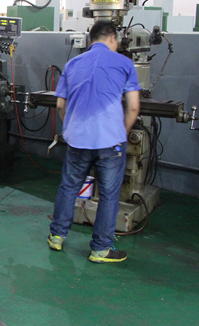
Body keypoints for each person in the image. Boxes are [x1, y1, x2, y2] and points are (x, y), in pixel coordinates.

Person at [46, 21, 141, 264]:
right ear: (113, 38)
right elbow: (133, 107)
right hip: (110, 141)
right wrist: (121, 132)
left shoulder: (72, 64)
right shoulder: (124, 63)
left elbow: (60, 104)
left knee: (69, 187)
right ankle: (100, 249)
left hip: (78, 140)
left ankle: (57, 236)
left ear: (90, 40)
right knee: (109, 195)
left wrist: (72, 128)